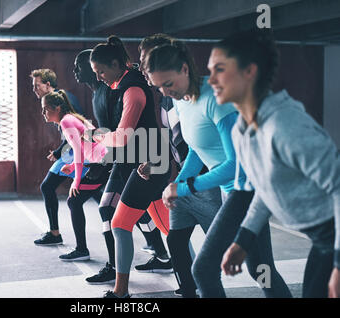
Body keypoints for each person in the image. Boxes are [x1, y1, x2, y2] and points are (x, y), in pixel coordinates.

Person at [145, 39, 291, 298]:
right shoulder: (181, 100)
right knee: (260, 268)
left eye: (169, 84)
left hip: (247, 189)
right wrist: (177, 183)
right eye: (159, 87)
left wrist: (188, 186)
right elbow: (196, 150)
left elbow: (237, 164)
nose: (166, 92)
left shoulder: (216, 100)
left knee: (203, 269)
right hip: (230, 191)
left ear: (185, 69)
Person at [208, 29, 340, 298]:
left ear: (249, 72)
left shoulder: (284, 125)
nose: (210, 79)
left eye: (220, 70)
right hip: (322, 240)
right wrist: (242, 241)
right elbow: (264, 190)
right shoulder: (242, 131)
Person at [69, 50, 168, 275]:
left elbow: (120, 132)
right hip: (125, 158)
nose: (75, 72)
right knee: (126, 211)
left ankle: (162, 258)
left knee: (144, 215)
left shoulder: (118, 90)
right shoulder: (102, 93)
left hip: (141, 157)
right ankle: (159, 256)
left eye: (79, 67)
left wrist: (99, 160)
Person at [138, 34, 222, 298]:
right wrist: (170, 174)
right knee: (176, 240)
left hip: (216, 184)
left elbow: (231, 161)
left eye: (149, 58)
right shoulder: (170, 96)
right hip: (188, 178)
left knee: (243, 262)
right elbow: (182, 143)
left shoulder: (210, 97)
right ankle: (189, 291)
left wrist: (187, 184)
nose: (144, 64)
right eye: (143, 60)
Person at [90, 36, 172, 298]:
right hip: (137, 162)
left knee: (119, 223)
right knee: (170, 228)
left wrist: (97, 135)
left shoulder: (133, 90)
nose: (99, 76)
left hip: (148, 164)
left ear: (115, 64)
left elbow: (123, 136)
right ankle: (193, 280)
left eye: (101, 71)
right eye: (96, 73)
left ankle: (121, 291)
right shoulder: (121, 85)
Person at [30, 68, 87, 246]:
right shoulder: (54, 101)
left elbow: (78, 131)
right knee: (48, 187)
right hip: (71, 152)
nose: (34, 90)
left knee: (101, 196)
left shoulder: (65, 99)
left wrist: (59, 151)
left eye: (36, 85)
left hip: (80, 152)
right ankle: (54, 233)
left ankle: (55, 234)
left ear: (48, 85)